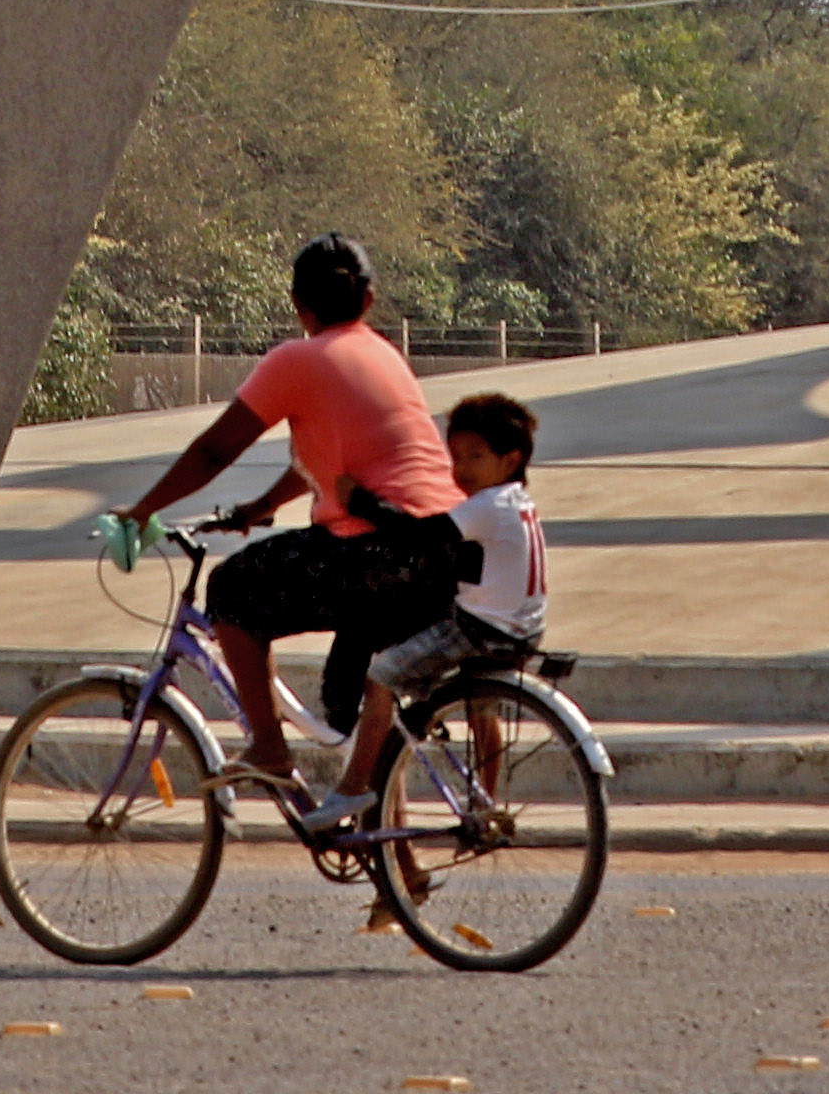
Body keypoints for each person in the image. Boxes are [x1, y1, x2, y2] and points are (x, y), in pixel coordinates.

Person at [104, 234, 463, 824]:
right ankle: (396, 875)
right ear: (368, 300)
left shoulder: (297, 360)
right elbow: (327, 463)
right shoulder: (381, 355)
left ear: (299, 305)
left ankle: (269, 748)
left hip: (374, 549)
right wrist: (258, 506)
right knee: (358, 703)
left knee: (232, 590)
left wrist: (141, 511)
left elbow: (216, 450)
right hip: (435, 548)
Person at [330, 392, 545, 816]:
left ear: (510, 461)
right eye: (457, 457)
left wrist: (363, 504)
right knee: (483, 710)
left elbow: (422, 536)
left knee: (381, 675)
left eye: (475, 457)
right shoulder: (519, 503)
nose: (461, 469)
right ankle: (483, 802)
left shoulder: (486, 504)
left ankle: (354, 786)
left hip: (479, 630)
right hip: (524, 630)